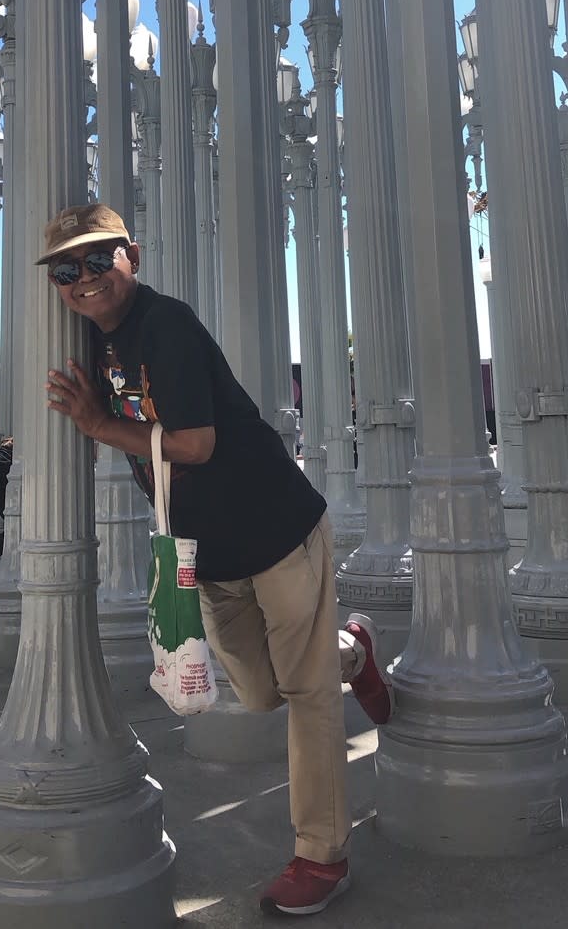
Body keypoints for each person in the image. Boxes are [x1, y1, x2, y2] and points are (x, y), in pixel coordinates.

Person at [40, 202, 393, 918]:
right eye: (67, 269)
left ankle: (321, 856)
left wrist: (99, 425)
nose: (85, 280)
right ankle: (353, 651)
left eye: (99, 259)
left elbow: (195, 443)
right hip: (208, 551)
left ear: (131, 254)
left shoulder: (164, 324)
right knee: (260, 693)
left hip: (277, 527)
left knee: (304, 700)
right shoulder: (91, 335)